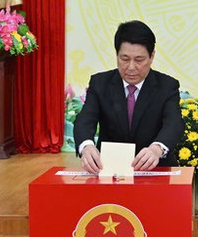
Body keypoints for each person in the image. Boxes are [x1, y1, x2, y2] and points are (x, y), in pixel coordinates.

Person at [74, 20, 184, 174]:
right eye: (124, 59)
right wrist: (86, 146)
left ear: (152, 56)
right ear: (117, 55)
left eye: (139, 60)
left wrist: (157, 149)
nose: (131, 67)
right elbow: (85, 119)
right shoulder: (100, 83)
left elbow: (174, 123)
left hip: (155, 169)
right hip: (108, 169)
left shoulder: (167, 86)